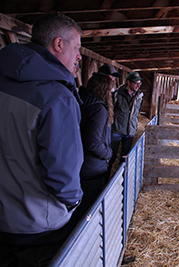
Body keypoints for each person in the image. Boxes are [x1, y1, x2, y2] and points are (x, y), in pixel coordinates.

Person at [0, 13, 83, 267]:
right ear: (59, 44)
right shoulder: (56, 97)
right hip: (38, 224)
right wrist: (74, 201)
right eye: (77, 48)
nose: (79, 57)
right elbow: (62, 172)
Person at [68, 72, 114, 229]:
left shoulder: (80, 101)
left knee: (76, 208)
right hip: (93, 168)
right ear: (105, 90)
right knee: (87, 211)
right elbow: (93, 142)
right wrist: (108, 154)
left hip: (76, 163)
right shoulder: (99, 110)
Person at [108, 71, 144, 176]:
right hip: (116, 130)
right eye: (135, 83)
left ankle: (121, 180)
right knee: (111, 156)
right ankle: (106, 180)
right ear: (128, 82)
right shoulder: (117, 94)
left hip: (130, 131)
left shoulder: (139, 96)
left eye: (139, 83)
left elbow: (136, 113)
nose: (138, 86)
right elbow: (111, 110)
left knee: (125, 158)